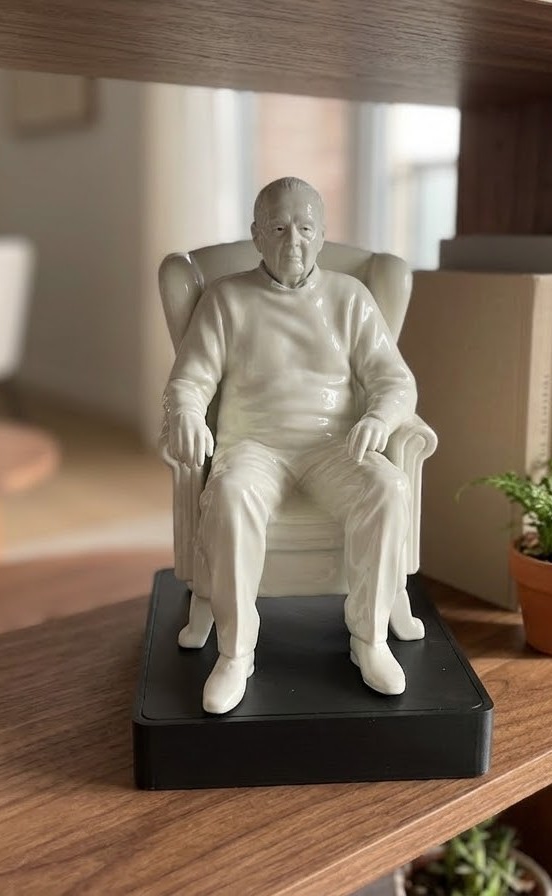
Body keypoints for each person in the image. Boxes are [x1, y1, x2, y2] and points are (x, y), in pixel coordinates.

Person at [165, 176, 423, 714]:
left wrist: (380, 416)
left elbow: (395, 381)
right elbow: (190, 379)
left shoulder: (350, 298)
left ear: (323, 234)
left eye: (305, 229)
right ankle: (236, 652)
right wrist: (186, 413)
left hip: (333, 446)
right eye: (279, 228)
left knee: (388, 487)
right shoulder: (225, 298)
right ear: (257, 235)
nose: (294, 242)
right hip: (253, 447)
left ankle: (369, 639)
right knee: (230, 495)